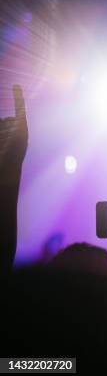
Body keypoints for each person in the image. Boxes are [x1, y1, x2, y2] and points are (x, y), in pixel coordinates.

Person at [0, 85, 27, 280]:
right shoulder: (13, 159)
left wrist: (19, 96)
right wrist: (18, 95)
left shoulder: (13, 157)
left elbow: (21, 133)